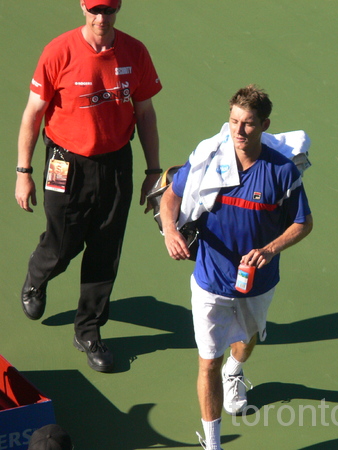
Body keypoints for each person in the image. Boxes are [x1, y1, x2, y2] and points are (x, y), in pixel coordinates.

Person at [160, 85, 313, 449]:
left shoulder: (282, 172)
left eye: (247, 124)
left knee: (246, 340)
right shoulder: (210, 161)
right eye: (233, 122)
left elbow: (303, 223)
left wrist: (271, 248)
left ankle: (236, 369)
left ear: (264, 125)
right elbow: (171, 196)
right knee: (207, 361)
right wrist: (169, 231)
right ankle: (212, 442)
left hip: (258, 282)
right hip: (210, 280)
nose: (238, 131)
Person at [15, 0, 162, 373]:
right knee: (63, 242)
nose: (102, 18)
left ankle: (88, 329)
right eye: (96, 9)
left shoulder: (135, 52)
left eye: (109, 9)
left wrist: (152, 170)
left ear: (118, 8)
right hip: (65, 162)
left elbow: (144, 112)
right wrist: (23, 171)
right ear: (82, 7)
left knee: (105, 248)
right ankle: (38, 276)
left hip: (115, 164)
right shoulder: (58, 51)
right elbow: (33, 113)